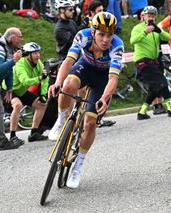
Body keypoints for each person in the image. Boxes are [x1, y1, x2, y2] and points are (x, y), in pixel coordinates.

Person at [48, 12, 124, 188]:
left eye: (109, 35)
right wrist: (58, 83)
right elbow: (68, 61)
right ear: (93, 31)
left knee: (90, 123)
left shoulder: (117, 46)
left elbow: (113, 79)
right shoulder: (83, 36)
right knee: (67, 87)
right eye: (101, 35)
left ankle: (78, 166)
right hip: (85, 67)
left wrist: (105, 98)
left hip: (103, 78)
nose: (105, 40)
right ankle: (60, 121)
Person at [130, 6, 171, 120]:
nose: (150, 18)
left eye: (153, 16)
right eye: (148, 16)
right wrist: (145, 32)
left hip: (154, 61)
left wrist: (159, 30)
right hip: (143, 61)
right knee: (162, 82)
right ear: (144, 16)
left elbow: (167, 37)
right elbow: (133, 40)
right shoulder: (138, 28)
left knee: (154, 88)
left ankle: (142, 112)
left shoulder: (155, 30)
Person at [2, 42, 48, 142]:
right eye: (35, 53)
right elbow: (25, 81)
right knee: (18, 105)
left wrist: (43, 94)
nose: (38, 55)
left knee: (42, 105)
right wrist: (40, 78)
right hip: (9, 90)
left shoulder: (38, 63)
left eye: (38, 53)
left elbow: (45, 78)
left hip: (21, 91)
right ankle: (13, 136)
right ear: (28, 55)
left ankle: (34, 133)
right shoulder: (20, 64)